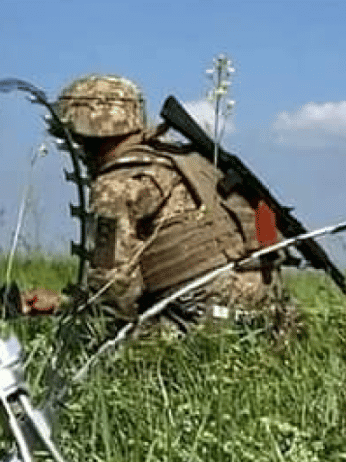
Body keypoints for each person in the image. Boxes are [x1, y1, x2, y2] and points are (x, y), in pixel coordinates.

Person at [53, 74, 290, 331]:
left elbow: (112, 290)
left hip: (205, 317)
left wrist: (75, 316)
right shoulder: (191, 158)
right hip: (273, 309)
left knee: (112, 348)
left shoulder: (116, 185)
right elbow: (264, 223)